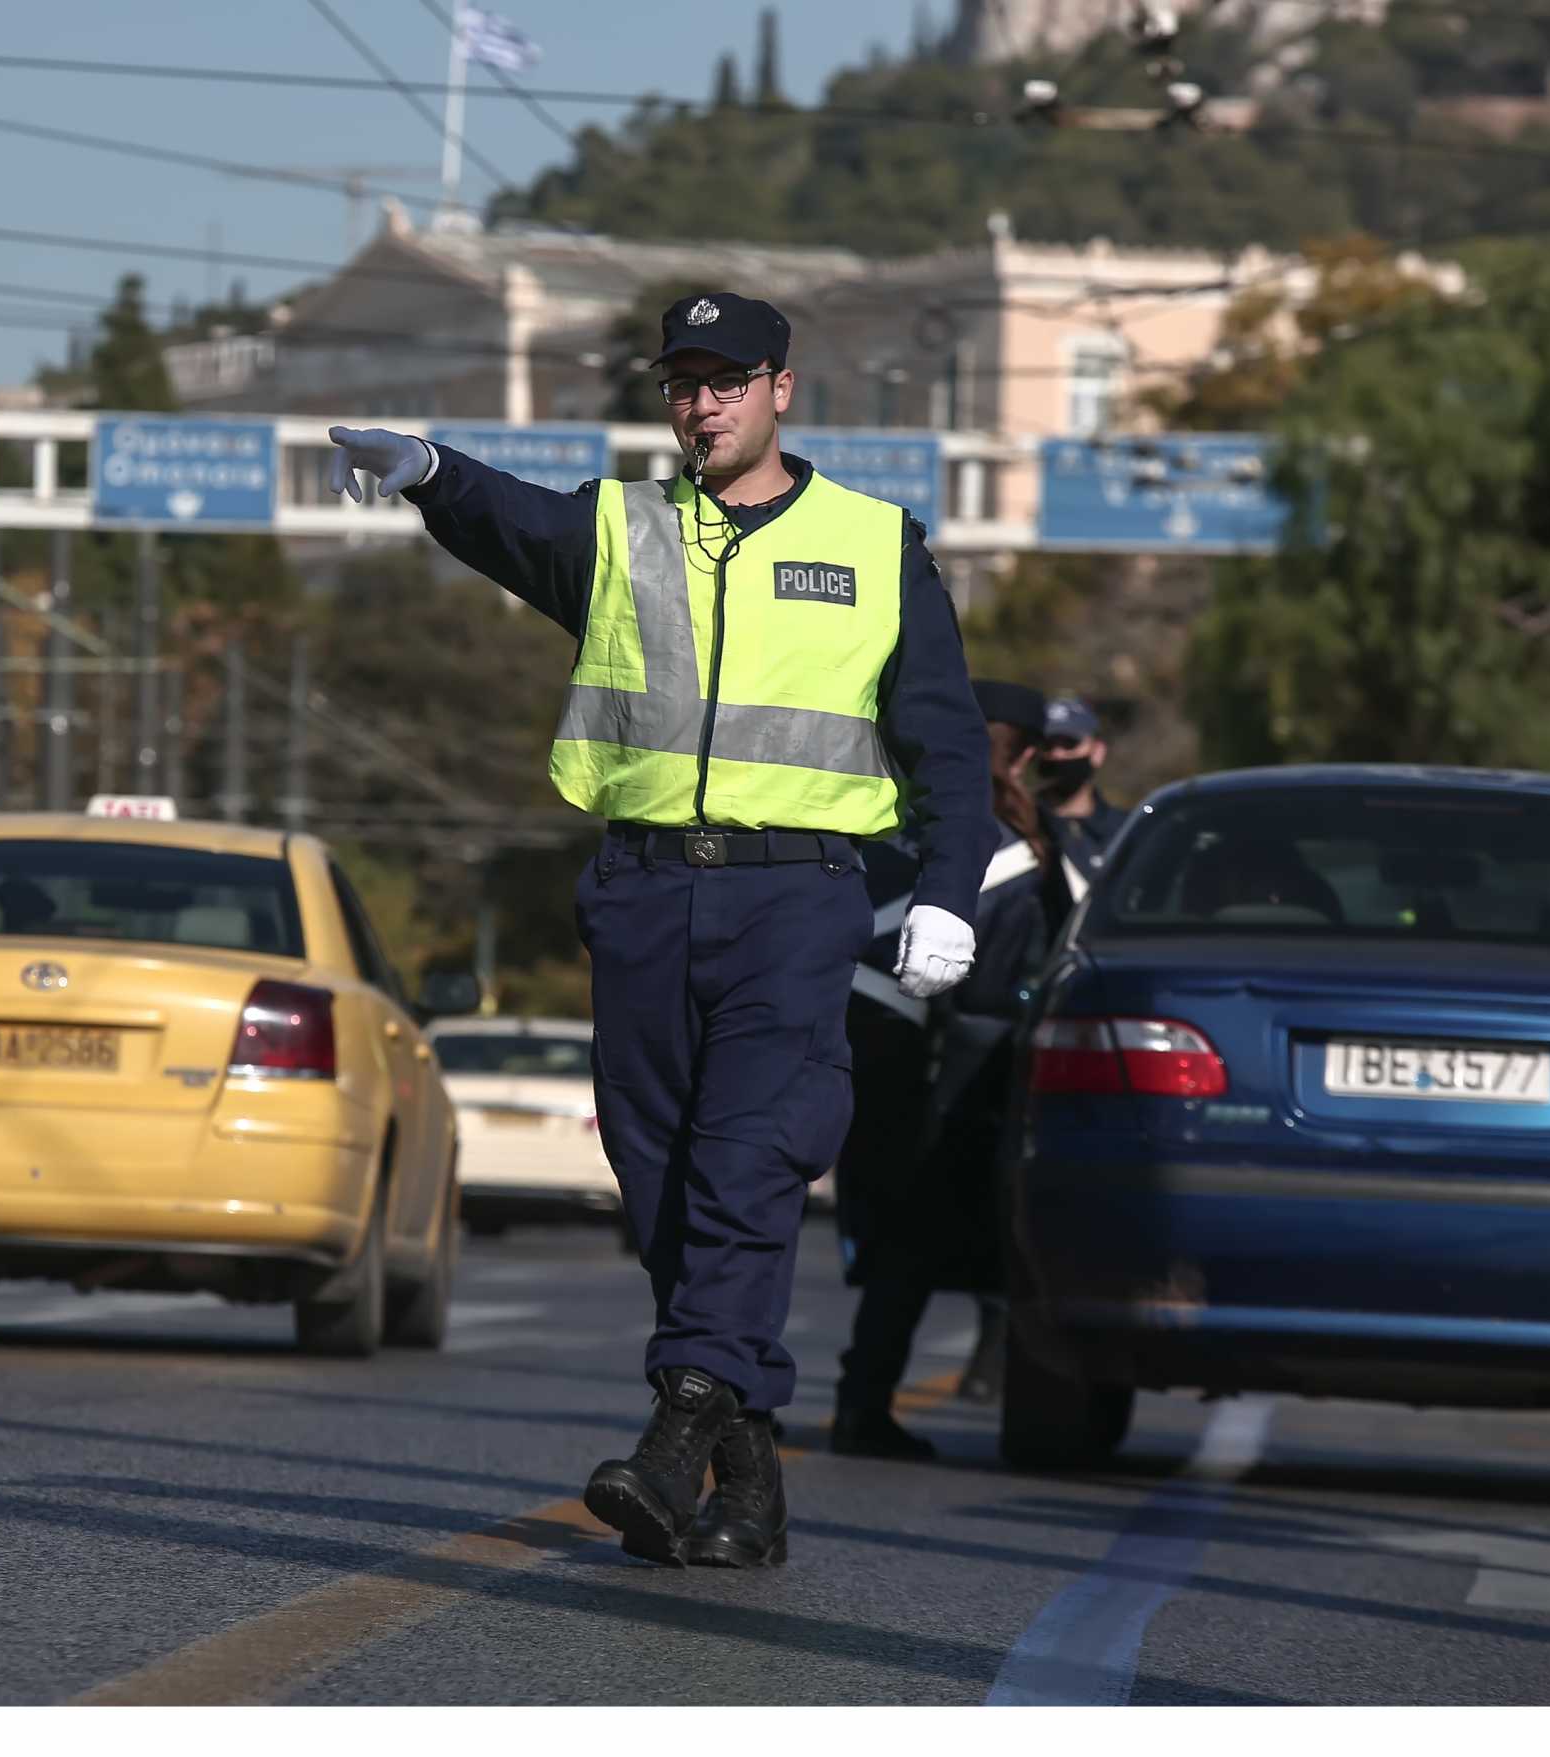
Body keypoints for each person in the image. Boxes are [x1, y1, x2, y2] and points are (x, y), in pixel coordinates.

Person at [327, 291, 995, 1569]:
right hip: (638, 895)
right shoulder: (624, 528)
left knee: (747, 1161)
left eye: (726, 381)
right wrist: (424, 469)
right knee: (663, 1184)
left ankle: (675, 1432)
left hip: (796, 898)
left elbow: (946, 742)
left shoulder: (875, 543)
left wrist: (951, 894)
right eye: (681, 383)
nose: (701, 404)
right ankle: (750, 1483)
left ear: (780, 389)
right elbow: (507, 518)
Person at [833, 679, 1068, 1460]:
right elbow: (996, 989)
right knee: (909, 1239)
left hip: (811, 1010)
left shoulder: (878, 805)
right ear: (1028, 753)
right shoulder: (1008, 851)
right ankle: (862, 1406)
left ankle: (734, 1398)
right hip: (910, 1051)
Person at [1040, 694, 1129, 884]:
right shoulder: (1022, 826)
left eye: (1070, 744)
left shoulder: (1124, 831)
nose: (1057, 755)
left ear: (1097, 752)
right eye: (1048, 745)